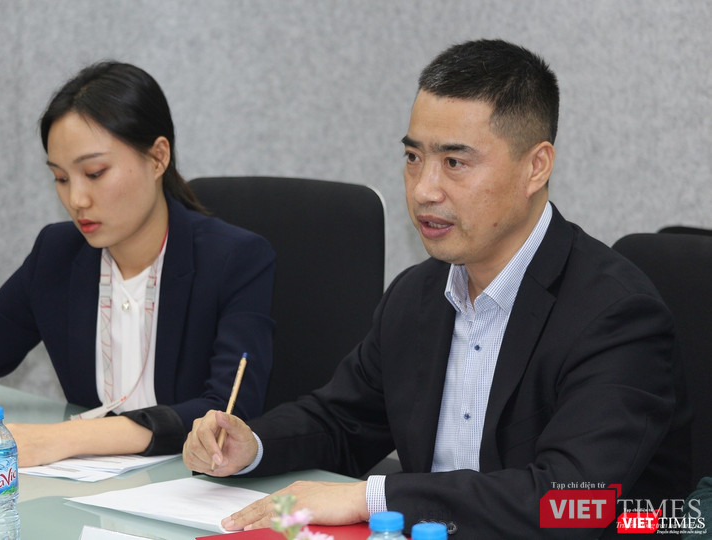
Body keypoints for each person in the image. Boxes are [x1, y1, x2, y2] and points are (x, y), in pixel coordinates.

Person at [182, 40, 691, 538]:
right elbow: (342, 420)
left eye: (454, 162)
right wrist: (253, 445)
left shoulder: (616, 313)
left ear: (535, 167)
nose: (424, 189)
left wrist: (373, 498)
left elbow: (574, 506)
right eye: (413, 157)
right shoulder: (418, 294)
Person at [0, 61, 276, 467]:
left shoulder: (235, 259)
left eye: (95, 173)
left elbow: (228, 414)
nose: (76, 199)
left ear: (158, 158)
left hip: (195, 486)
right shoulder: (57, 254)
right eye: (61, 178)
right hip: (90, 489)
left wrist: (64, 438)